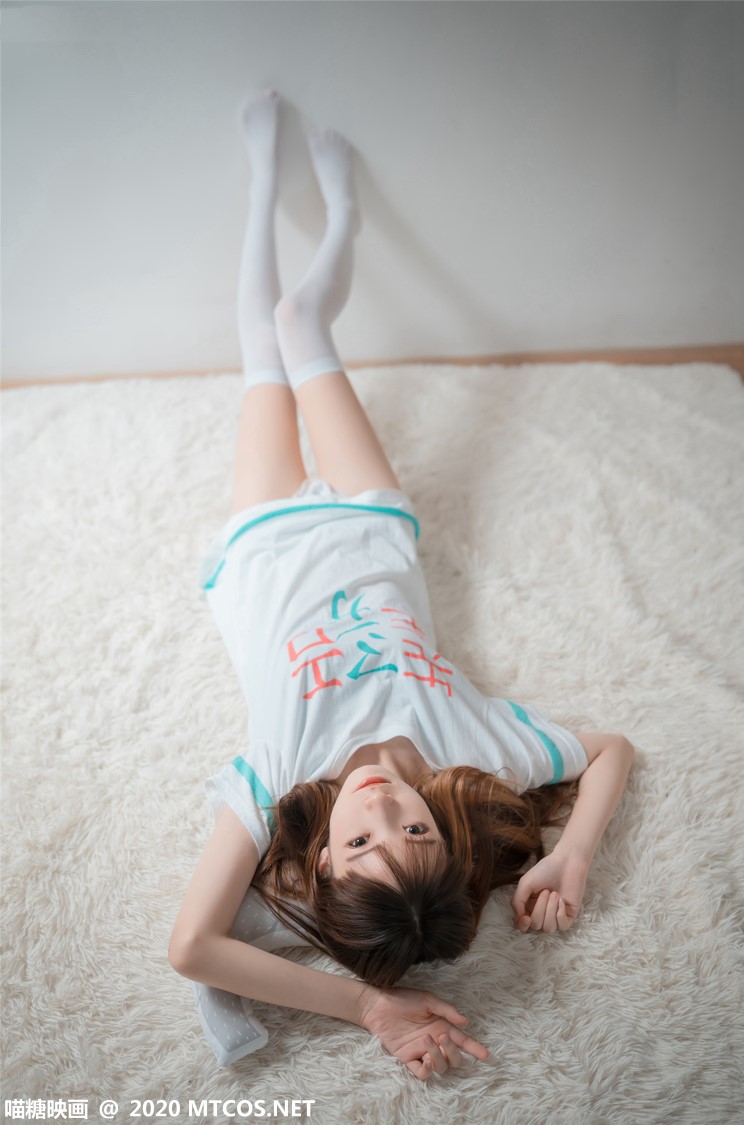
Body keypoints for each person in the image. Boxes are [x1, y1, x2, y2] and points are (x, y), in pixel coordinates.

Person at [168, 88, 635, 1081]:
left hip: (264, 547)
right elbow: (610, 750)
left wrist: (366, 1004)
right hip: (373, 527)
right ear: (446, 831)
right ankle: (342, 215)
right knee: (302, 322)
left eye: (363, 843)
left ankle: (263, 182)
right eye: (414, 828)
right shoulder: (473, 753)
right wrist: (573, 855)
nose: (382, 806)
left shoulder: (280, 776)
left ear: (322, 860)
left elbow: (192, 946)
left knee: (262, 345)